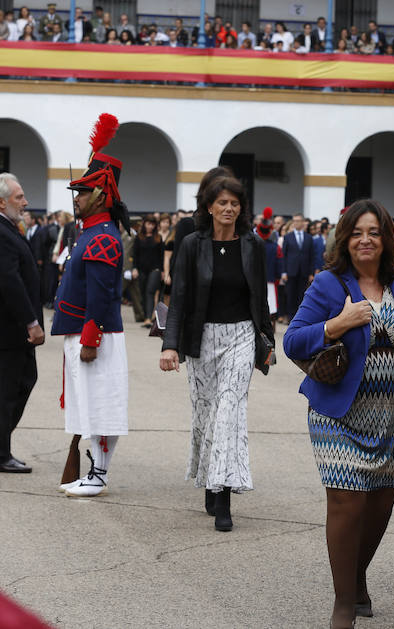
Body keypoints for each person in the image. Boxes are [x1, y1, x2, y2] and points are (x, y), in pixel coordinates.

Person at [282, 199, 394, 628]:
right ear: (345, 238)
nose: (365, 240)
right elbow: (294, 341)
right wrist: (336, 324)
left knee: (380, 505)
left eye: (374, 232)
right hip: (337, 414)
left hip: (390, 415)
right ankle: (344, 605)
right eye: (357, 232)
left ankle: (357, 576)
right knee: (347, 501)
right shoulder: (328, 284)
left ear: (386, 239)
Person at [160, 175, 274, 532]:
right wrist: (170, 345)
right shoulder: (193, 244)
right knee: (206, 415)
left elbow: (260, 298)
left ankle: (224, 493)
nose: (228, 208)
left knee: (229, 410)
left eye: (234, 203)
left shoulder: (252, 246)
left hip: (240, 335)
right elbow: (178, 298)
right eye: (222, 202)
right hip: (201, 339)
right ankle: (210, 478)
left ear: (241, 209)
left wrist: (266, 343)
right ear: (209, 207)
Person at [53, 120, 130, 497]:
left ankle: (98, 475)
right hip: (85, 332)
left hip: (94, 334)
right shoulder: (92, 233)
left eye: (83, 192)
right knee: (90, 405)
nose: (76, 198)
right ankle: (92, 472)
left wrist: (90, 339)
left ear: (101, 194)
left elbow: (100, 297)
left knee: (102, 406)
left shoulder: (101, 238)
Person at [0, 173, 44, 473]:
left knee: (22, 383)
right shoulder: (2, 232)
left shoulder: (9, 228)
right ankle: (1, 453)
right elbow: (9, 281)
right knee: (8, 391)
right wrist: (31, 322)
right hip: (10, 330)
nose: (25, 202)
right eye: (19, 197)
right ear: (2, 202)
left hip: (13, 331)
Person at [133, 216, 163, 327]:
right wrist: (134, 268)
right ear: (144, 224)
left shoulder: (158, 238)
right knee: (143, 292)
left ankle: (148, 318)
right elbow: (135, 254)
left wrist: (163, 270)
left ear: (155, 226)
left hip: (155, 269)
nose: (150, 226)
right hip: (141, 269)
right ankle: (146, 316)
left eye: (152, 224)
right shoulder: (139, 237)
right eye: (148, 223)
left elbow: (162, 255)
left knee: (150, 291)